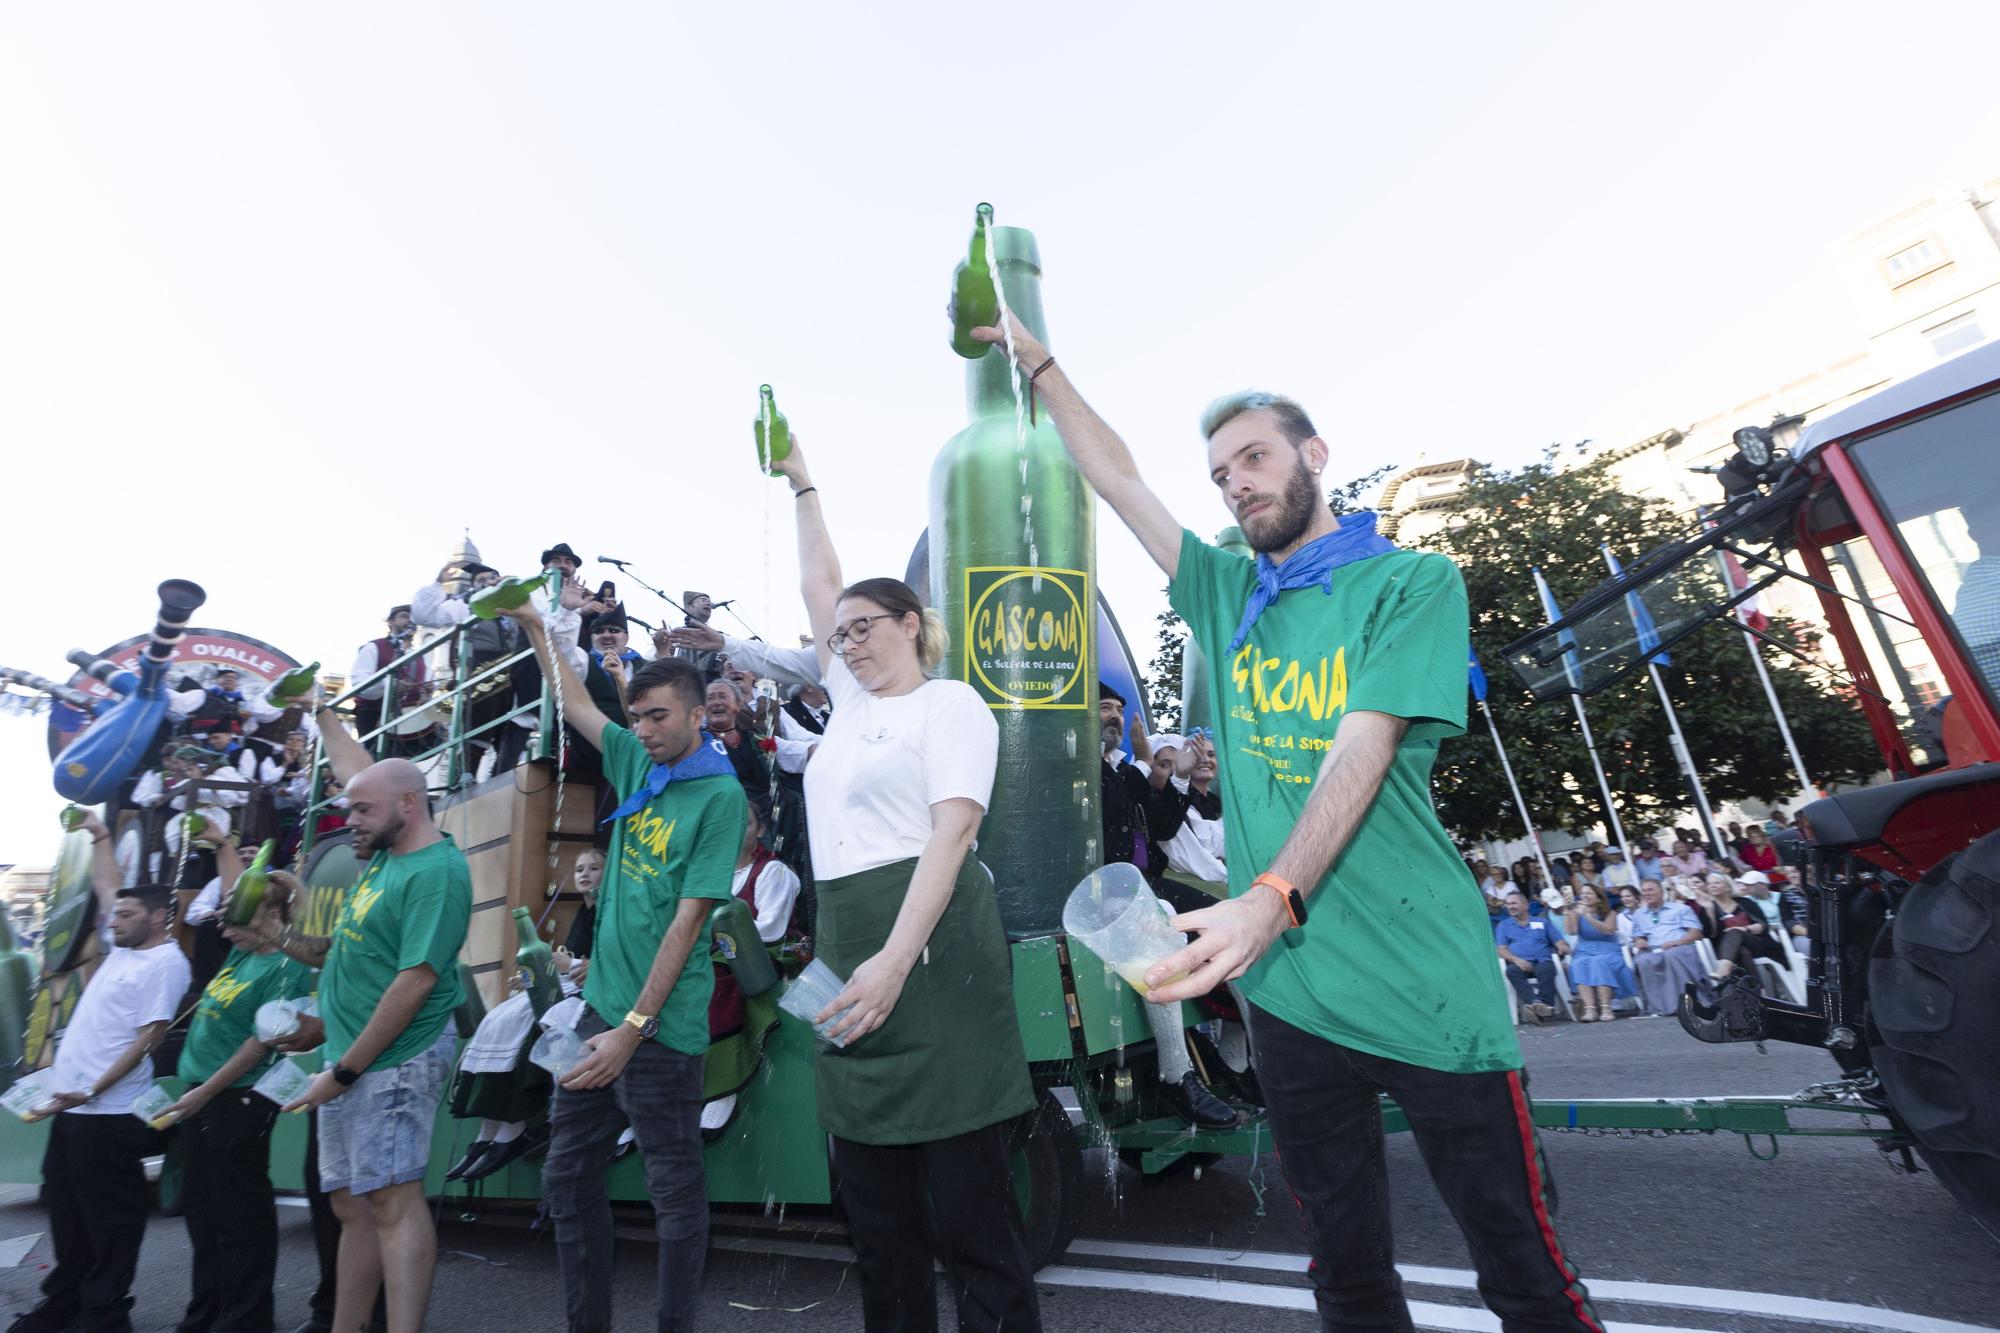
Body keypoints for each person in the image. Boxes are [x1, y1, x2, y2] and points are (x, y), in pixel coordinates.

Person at [981, 302, 1598, 1329]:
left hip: (1424, 980)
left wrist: (1267, 897)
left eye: (1253, 457)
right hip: (1291, 998)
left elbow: (1362, 746)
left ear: (1311, 455)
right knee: (1346, 1278)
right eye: (1220, 473)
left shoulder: (1408, 581)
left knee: (1521, 1271)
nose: (1235, 482)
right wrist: (1037, 360)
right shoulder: (1225, 593)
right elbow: (1119, 478)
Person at [771, 437, 1042, 1333]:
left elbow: (953, 834)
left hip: (933, 964)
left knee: (974, 1228)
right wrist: (802, 480)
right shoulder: (846, 707)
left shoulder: (951, 705)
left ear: (912, 624)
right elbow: (819, 579)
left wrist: (895, 961)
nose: (847, 642)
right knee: (880, 1236)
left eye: (865, 627)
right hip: (851, 956)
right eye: (839, 633)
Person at [509, 601, 747, 1333]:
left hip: (664, 1029)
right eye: (637, 715)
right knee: (566, 1176)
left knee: (673, 1192)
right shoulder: (631, 758)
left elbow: (687, 923)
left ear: (697, 715)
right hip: (599, 1010)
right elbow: (574, 698)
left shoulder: (720, 794)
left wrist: (632, 1030)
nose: (642, 730)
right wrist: (530, 622)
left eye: (658, 717)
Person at [267, 706, 472, 1333]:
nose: (348, 819)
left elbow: (414, 982)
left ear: (409, 806)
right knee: (352, 1204)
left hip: (394, 1058)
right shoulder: (388, 850)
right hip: (351, 1053)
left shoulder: (435, 870)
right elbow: (367, 776)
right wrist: (323, 717)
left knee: (390, 1200)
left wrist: (346, 1071)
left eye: (360, 811)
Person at [11, 811, 190, 1333]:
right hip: (72, 1107)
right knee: (67, 1215)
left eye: (125, 915)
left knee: (111, 1222)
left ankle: (106, 1314)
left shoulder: (164, 964)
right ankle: (64, 1303)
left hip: (107, 1113)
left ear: (158, 918)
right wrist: (100, 833)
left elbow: (147, 1041)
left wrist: (90, 1088)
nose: (112, 919)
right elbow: (108, 884)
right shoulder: (127, 947)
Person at [158, 839, 315, 1333]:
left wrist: (204, 1093)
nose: (225, 925)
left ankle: (247, 1318)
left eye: (237, 915)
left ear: (269, 916)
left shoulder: (287, 964)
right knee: (204, 1216)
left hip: (237, 1098)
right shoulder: (242, 955)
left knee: (239, 1218)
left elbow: (258, 1043)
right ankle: (207, 1310)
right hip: (201, 1094)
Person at [348, 605, 429, 751]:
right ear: (390, 622)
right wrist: (389, 685)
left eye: (413, 618)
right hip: (374, 714)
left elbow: (427, 686)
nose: (410, 621)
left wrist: (427, 694)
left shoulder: (422, 657)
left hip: (412, 723)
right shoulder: (374, 647)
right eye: (404, 616)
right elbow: (359, 684)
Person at [1626, 879, 1708, 1016]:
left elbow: (1696, 932)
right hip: (1653, 949)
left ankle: (1690, 1002)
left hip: (1680, 946)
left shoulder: (1681, 909)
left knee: (1671, 955)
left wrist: (1678, 942)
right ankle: (1660, 1007)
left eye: (1650, 889)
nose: (1647, 893)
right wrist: (1640, 941)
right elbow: (1638, 936)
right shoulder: (1639, 914)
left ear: (1661, 891)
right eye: (1644, 891)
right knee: (1642, 961)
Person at [1562, 884, 1638, 1022]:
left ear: (1598, 899)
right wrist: (1569, 912)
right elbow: (1571, 931)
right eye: (1583, 893)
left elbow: (1608, 930)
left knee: (1599, 962)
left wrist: (1588, 916)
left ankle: (1605, 1008)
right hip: (1584, 949)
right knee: (1579, 964)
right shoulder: (1576, 913)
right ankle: (1590, 1009)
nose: (1585, 896)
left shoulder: (1610, 913)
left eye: (1589, 893)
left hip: (1607, 948)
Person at [1494, 890, 1571, 1023]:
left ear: (1526, 905)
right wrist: (1516, 960)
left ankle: (1538, 1007)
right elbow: (1501, 950)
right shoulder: (1504, 926)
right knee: (1511, 971)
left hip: (1542, 961)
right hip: (1518, 963)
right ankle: (1538, 1004)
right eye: (1507, 904)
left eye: (1514, 903)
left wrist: (1562, 947)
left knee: (1547, 969)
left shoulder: (1542, 922)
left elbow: (1559, 941)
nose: (1510, 906)